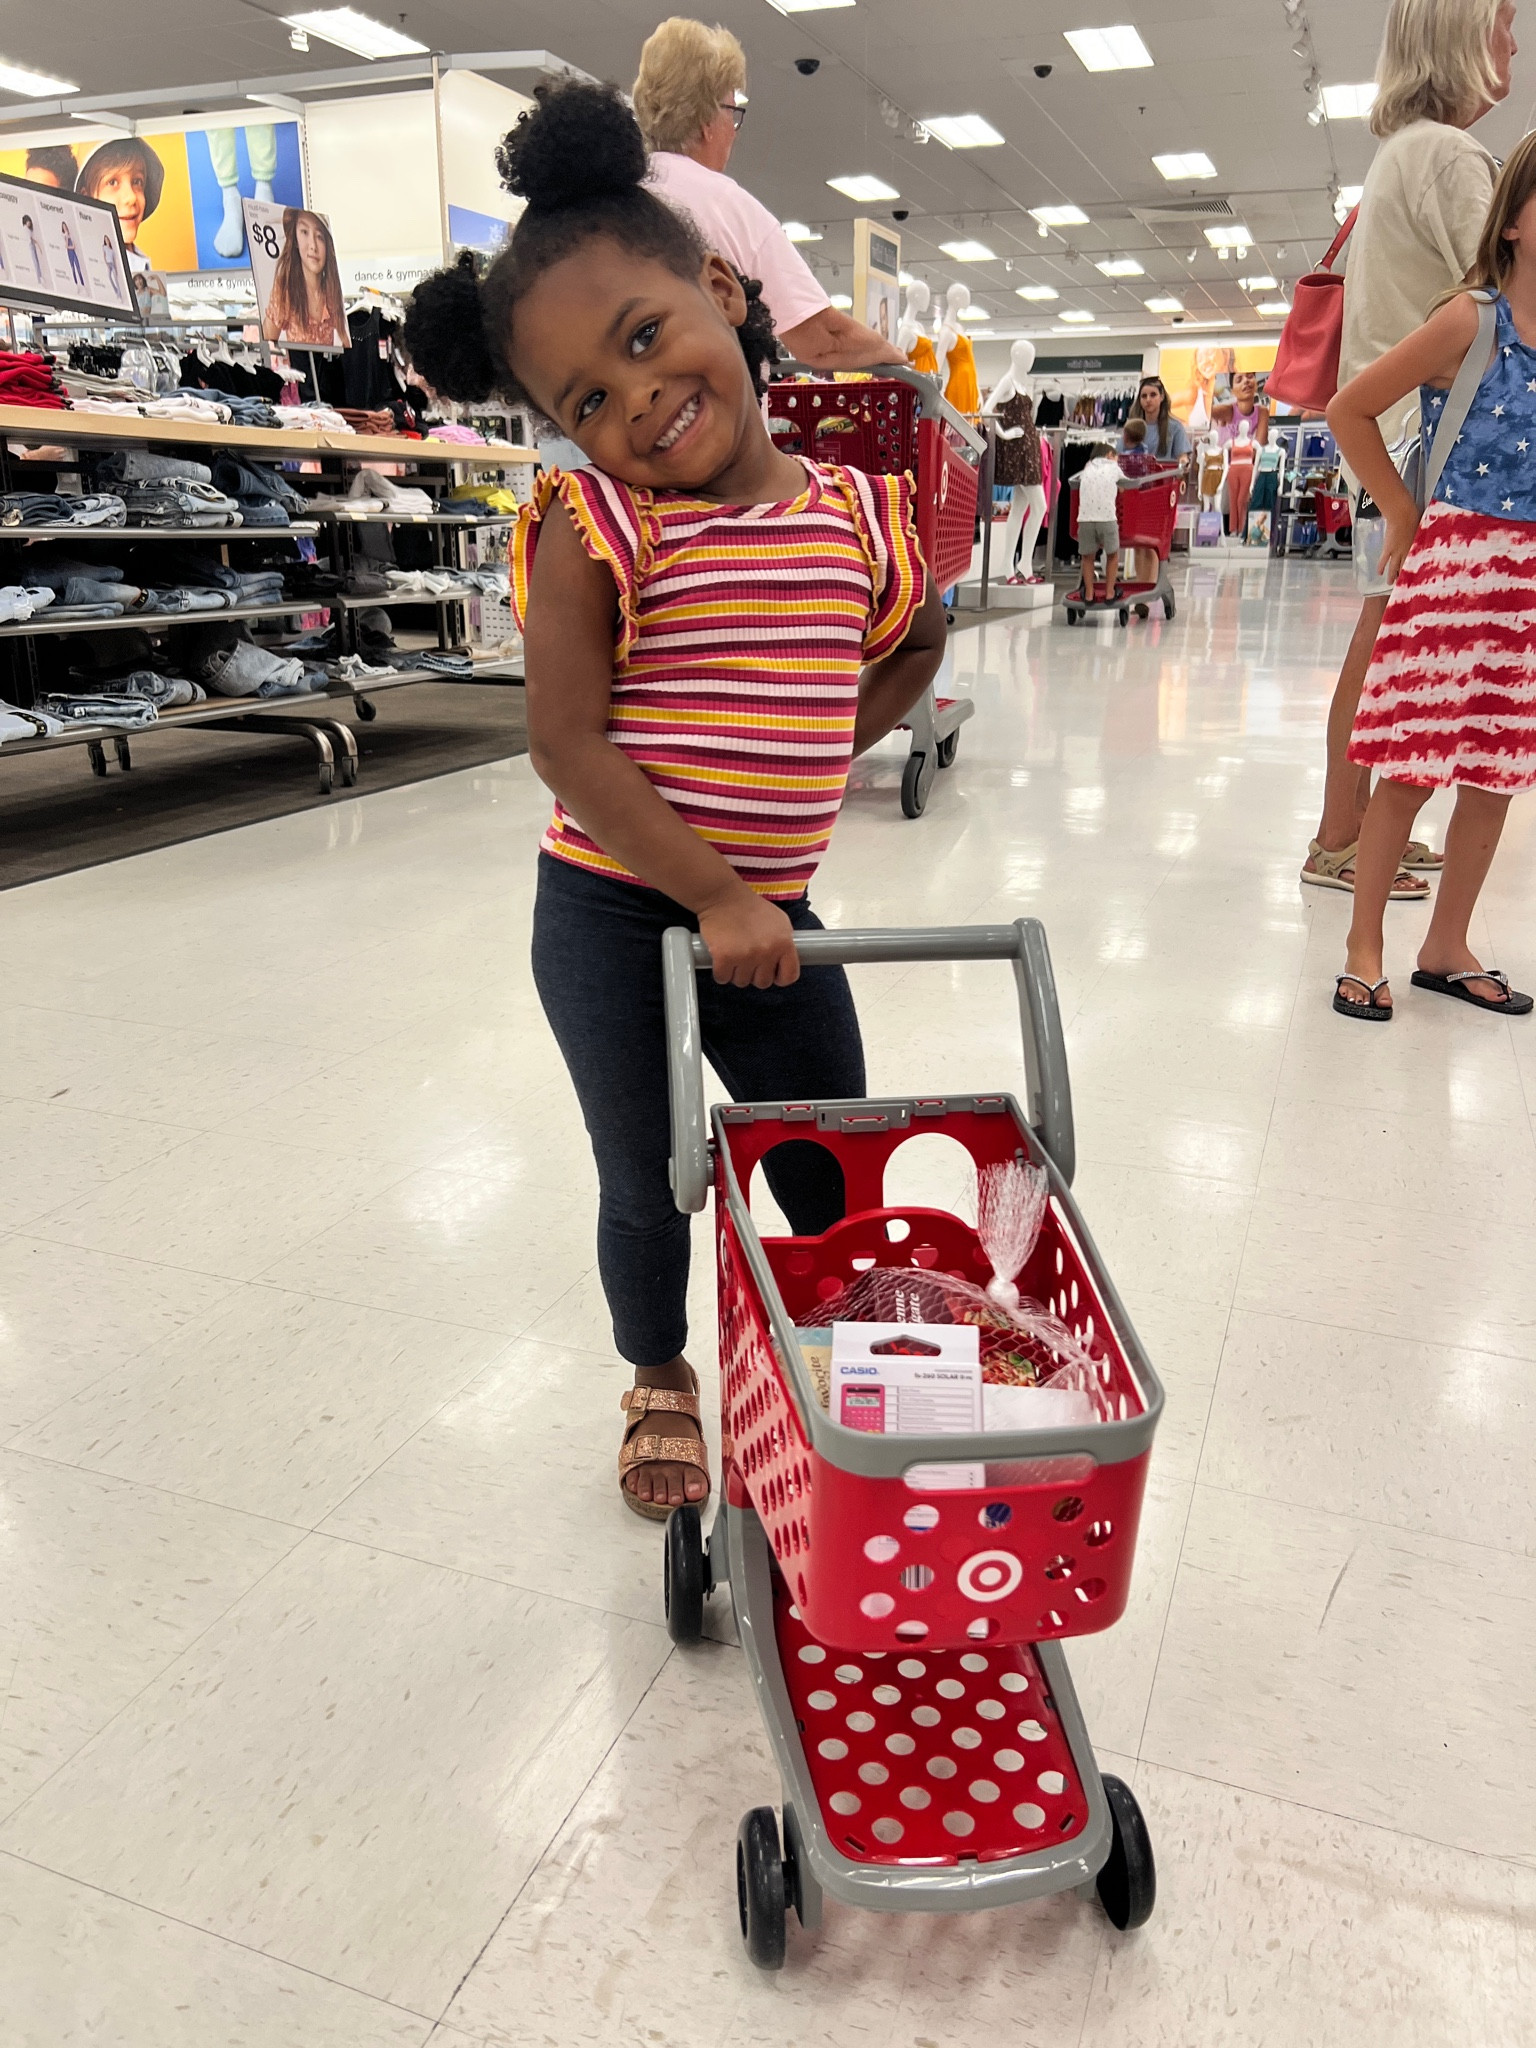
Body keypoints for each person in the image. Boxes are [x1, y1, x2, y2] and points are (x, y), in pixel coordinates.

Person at [402, 82, 945, 1518]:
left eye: (647, 338)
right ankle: (659, 1377)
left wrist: (821, 756)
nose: (636, 398)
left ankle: (843, 1351)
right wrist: (711, 883)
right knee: (646, 1172)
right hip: (614, 909)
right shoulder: (596, 527)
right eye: (586, 398)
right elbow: (569, 747)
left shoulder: (852, 515)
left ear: (720, 287)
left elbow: (920, 640)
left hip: (770, 922)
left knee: (831, 1149)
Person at [1302, 0, 1517, 899]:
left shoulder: (1404, 154)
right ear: (1463, 35)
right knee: (1391, 647)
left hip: (1400, 436)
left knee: (1384, 639)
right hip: (1435, 442)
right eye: (1504, 26)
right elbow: (1512, 296)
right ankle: (1342, 838)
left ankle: (1349, 831)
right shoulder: (1452, 157)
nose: (1512, 43)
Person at [1327, 128, 1536, 1022]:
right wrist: (1404, 513)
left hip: (1527, 583)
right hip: (1452, 569)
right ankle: (1363, 942)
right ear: (1516, 220)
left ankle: (1446, 944)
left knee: (1494, 774)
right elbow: (1350, 407)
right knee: (1410, 768)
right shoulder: (1472, 320)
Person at [633, 18, 905, 372]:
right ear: (705, 121)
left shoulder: (617, 202)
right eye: (732, 112)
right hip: (718, 420)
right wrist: (898, 358)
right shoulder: (729, 207)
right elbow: (823, 340)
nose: (735, 131)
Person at [260, 209, 347, 349]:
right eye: (304, 232)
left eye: (319, 236)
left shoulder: (332, 293)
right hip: (297, 370)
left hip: (328, 370)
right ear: (295, 239)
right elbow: (265, 345)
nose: (313, 246)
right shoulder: (285, 291)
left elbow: (348, 342)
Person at [77, 137, 164, 251]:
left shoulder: (141, 262)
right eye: (112, 182)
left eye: (137, 182)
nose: (131, 197)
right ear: (86, 197)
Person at [1075, 443, 1124, 603]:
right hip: (1107, 518)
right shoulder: (1113, 467)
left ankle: (1089, 594)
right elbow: (1124, 486)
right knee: (1112, 555)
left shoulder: (1087, 467)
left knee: (1087, 557)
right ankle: (1110, 593)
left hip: (1085, 519)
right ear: (1110, 455)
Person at [1123, 376, 1191, 467]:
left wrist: (1183, 463)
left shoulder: (1175, 426)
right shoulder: (1132, 426)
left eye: (1153, 395)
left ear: (1162, 397)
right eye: (1144, 396)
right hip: (1137, 478)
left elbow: (1182, 456)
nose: (1148, 400)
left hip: (1164, 478)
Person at [59, 220, 85, 290]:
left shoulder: (71, 234)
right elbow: (66, 246)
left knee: (78, 267)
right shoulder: (64, 235)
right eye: (63, 227)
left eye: (65, 226)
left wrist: (70, 247)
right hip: (69, 253)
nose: (64, 228)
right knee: (72, 268)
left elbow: (74, 246)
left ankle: (83, 284)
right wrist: (67, 237)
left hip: (73, 252)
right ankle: (76, 285)